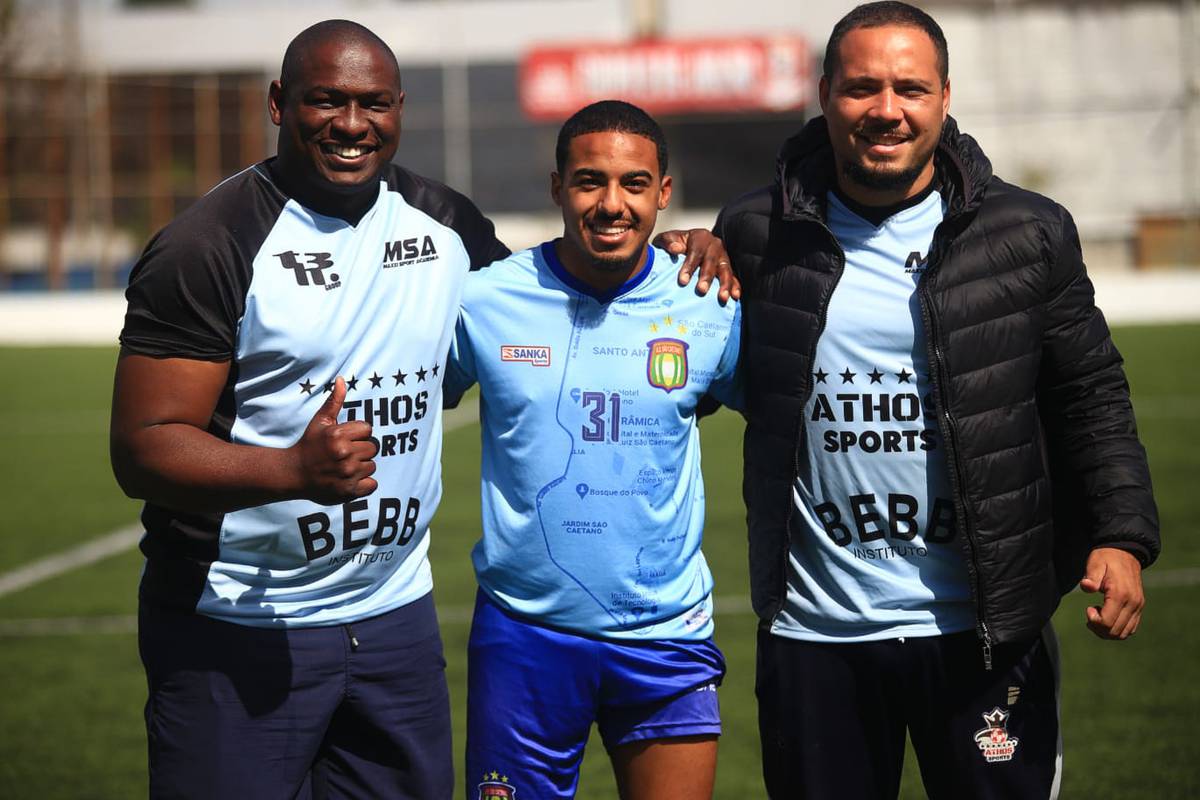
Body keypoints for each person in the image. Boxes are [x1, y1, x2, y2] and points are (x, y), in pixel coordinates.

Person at [109, 21, 732, 799]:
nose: (350, 122)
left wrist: (676, 253)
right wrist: (290, 470)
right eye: (324, 100)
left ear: (400, 109)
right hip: (238, 623)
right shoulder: (209, 243)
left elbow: (554, 305)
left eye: (372, 102)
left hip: (393, 622)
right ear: (279, 103)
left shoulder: (445, 225)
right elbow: (141, 449)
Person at [713, 3, 1161, 798]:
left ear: (945, 97)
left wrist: (1121, 534)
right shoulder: (755, 231)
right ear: (824, 95)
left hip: (983, 632)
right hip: (818, 637)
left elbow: (1090, 391)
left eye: (910, 89)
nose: (887, 110)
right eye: (862, 88)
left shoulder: (1028, 231)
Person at [443, 100, 741, 800]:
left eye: (635, 184)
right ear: (557, 189)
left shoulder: (710, 299)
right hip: (525, 636)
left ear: (664, 192)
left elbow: (775, 413)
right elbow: (415, 403)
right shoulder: (484, 302)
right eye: (589, 182)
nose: (612, 204)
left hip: (667, 635)